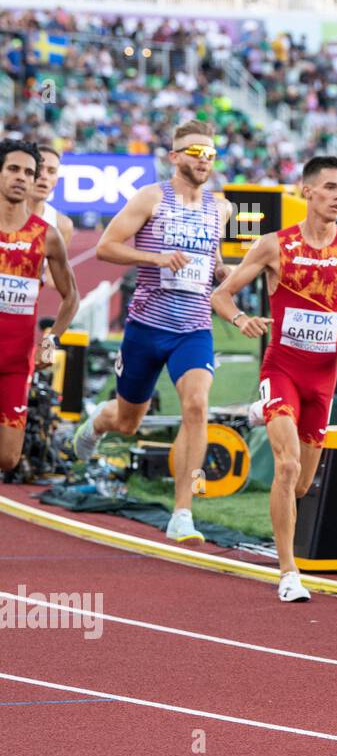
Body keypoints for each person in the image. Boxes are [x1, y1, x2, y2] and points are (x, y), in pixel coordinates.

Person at [212, 155, 337, 603]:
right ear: (307, 191)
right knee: (285, 469)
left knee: (303, 484)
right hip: (282, 366)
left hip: (322, 378)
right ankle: (288, 572)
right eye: (329, 187)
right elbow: (221, 294)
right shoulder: (273, 245)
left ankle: (257, 412)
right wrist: (241, 318)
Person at [74, 120, 231, 544]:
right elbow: (107, 246)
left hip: (193, 328)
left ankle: (183, 511)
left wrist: (221, 270)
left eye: (211, 154)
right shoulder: (150, 198)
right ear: (175, 156)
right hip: (146, 326)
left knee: (197, 407)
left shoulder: (222, 207)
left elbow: (211, 257)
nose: (204, 161)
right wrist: (156, 258)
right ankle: (97, 422)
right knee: (127, 422)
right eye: (195, 153)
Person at [0, 139, 79, 470]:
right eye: (13, 169)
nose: (22, 177)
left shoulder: (47, 235)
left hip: (17, 363)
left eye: (28, 172)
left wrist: (51, 339)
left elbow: (71, 296)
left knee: (7, 458)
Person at [28, 145, 75, 245]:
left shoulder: (62, 225)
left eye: (51, 171)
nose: (44, 176)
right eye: (38, 168)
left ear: (57, 179)